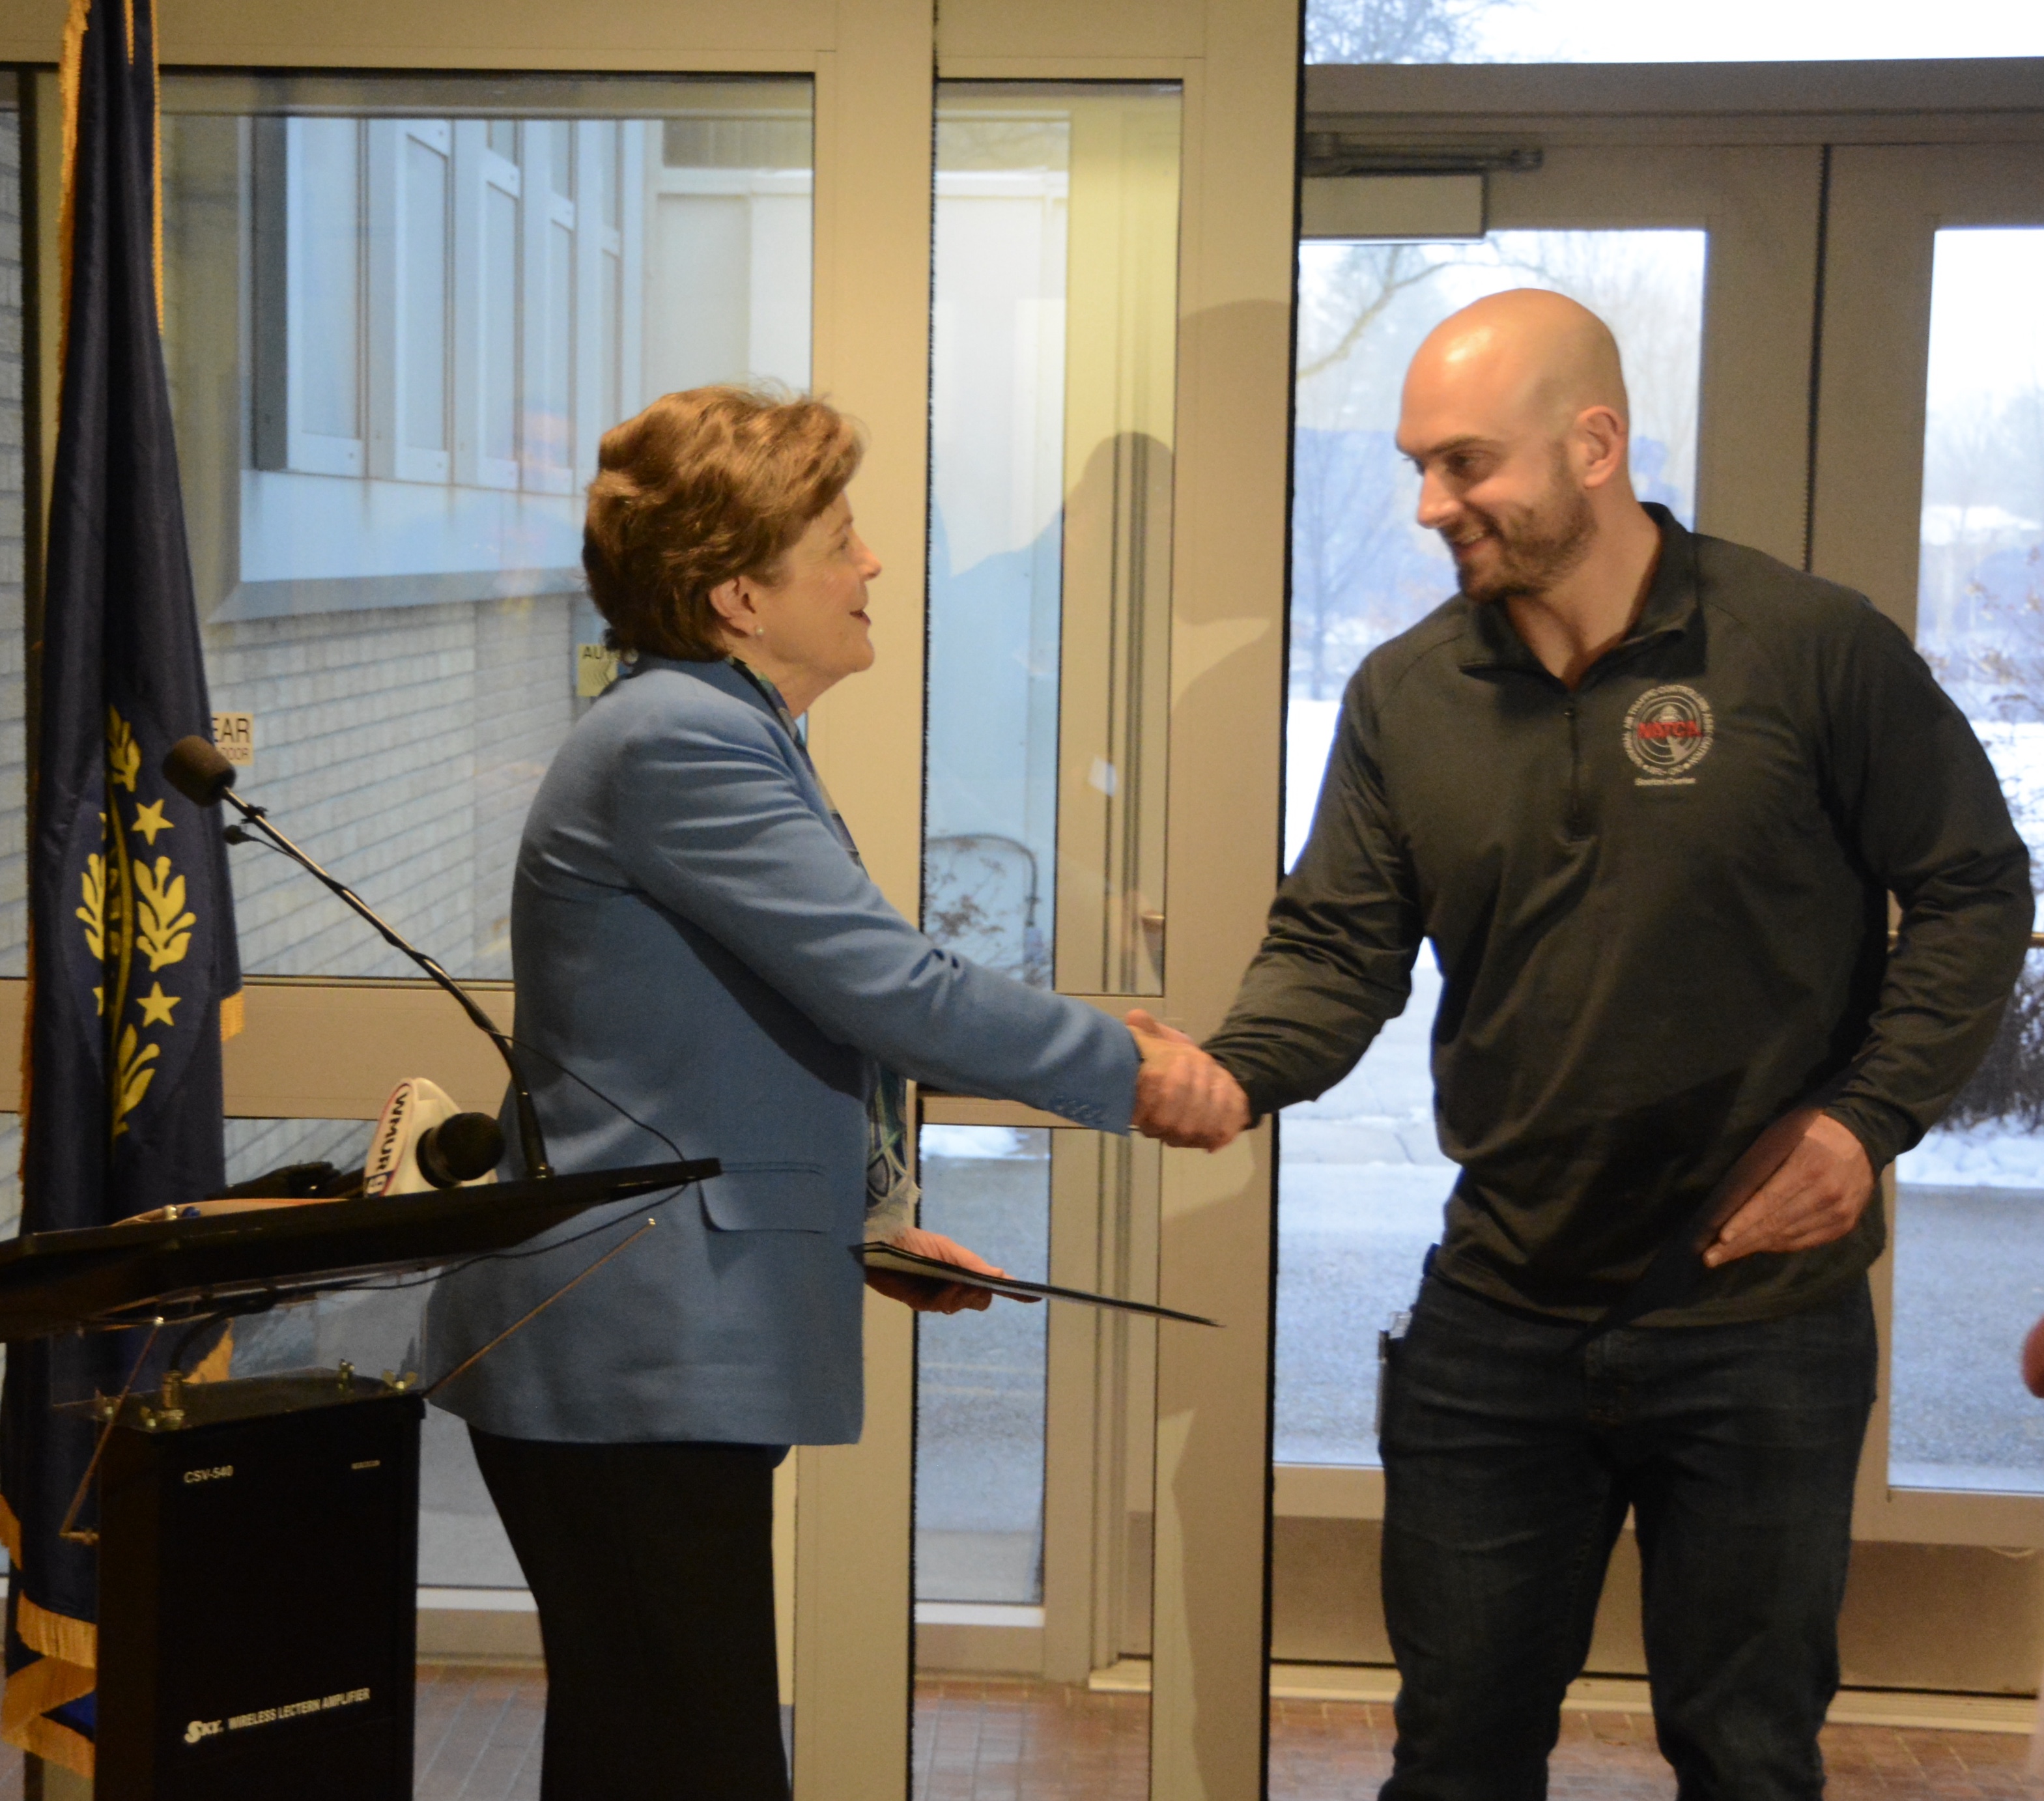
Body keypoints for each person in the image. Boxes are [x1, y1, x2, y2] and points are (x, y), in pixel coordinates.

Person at [1133, 291, 2034, 1799]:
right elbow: (1338, 945)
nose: (1432, 505)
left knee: (1747, 1756)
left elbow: (1975, 887)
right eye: (1418, 466)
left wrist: (1862, 1123)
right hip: (1499, 1320)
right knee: (1458, 1757)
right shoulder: (1408, 696)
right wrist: (1235, 1070)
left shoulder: (1806, 651)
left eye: (1466, 464)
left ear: (1597, 443)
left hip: (1759, 1321)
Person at [425, 386, 1174, 1800]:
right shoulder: (680, 742)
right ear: (737, 596)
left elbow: (736, 1046)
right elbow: (894, 991)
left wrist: (867, 1224)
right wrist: (1140, 1068)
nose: (874, 561)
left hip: (649, 1355)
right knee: (694, 1766)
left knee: (637, 1761)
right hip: (626, 1361)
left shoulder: (719, 726)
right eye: (839, 537)